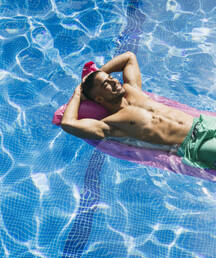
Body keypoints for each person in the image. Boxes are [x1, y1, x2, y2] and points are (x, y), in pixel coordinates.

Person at [61, 51, 216, 169]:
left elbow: (129, 57)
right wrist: (78, 92)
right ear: (99, 99)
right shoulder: (110, 125)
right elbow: (68, 123)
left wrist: (98, 74)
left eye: (110, 77)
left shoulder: (133, 90)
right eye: (105, 84)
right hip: (194, 145)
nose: (114, 81)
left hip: (204, 124)